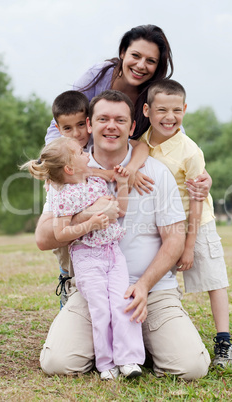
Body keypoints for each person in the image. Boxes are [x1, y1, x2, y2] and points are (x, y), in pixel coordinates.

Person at [35, 90, 211, 380]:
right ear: (90, 125)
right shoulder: (69, 174)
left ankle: (139, 341)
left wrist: (143, 285)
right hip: (94, 289)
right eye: (103, 119)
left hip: (151, 291)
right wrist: (92, 214)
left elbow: (175, 240)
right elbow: (43, 238)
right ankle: (112, 342)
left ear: (132, 128)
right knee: (58, 363)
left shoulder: (156, 171)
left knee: (191, 368)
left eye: (120, 120)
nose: (111, 126)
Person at [20, 136, 145, 380]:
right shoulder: (62, 195)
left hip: (113, 253)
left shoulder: (96, 181)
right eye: (79, 151)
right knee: (100, 311)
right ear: (69, 168)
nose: (85, 151)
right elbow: (61, 233)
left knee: (121, 304)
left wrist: (120, 184)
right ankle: (106, 363)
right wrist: (90, 223)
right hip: (87, 258)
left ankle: (128, 359)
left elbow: (120, 211)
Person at [45, 24, 212, 199]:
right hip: (88, 161)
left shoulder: (154, 94)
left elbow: (174, 134)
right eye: (136, 55)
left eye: (151, 61)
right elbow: (61, 121)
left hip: (130, 166)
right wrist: (53, 165)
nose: (141, 65)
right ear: (123, 52)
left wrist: (201, 172)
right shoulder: (98, 75)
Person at [140, 79, 232, 368]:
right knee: (159, 280)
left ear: (184, 109)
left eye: (176, 110)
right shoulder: (143, 141)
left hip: (197, 223)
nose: (169, 117)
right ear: (146, 110)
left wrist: (190, 245)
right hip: (164, 226)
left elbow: (196, 199)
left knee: (213, 280)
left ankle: (224, 341)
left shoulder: (190, 151)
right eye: (161, 110)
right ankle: (158, 336)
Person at [50, 89, 154, 308]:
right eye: (67, 129)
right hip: (73, 238)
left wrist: (132, 169)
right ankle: (66, 277)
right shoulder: (68, 154)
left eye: (80, 125)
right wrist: (105, 175)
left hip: (104, 250)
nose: (76, 134)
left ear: (86, 123)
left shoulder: (89, 149)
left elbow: (142, 145)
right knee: (65, 245)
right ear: (58, 130)